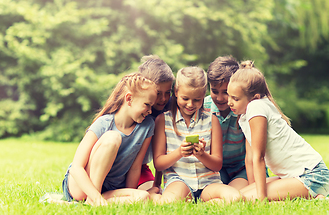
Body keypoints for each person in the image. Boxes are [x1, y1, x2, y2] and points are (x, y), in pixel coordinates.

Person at [227, 60, 329, 202]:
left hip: (312, 176)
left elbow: (259, 157)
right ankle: (315, 198)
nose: (229, 102)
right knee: (236, 196)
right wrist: (254, 191)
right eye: (229, 96)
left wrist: (260, 199)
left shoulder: (256, 107)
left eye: (235, 98)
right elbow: (250, 159)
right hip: (294, 176)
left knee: (237, 200)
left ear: (255, 97)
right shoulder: (245, 116)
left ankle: (317, 197)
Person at [61, 73, 158, 206]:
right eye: (147, 104)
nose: (150, 111)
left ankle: (95, 202)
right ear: (129, 98)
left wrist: (130, 192)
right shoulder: (104, 123)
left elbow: (135, 168)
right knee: (113, 138)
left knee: (143, 197)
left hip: (111, 189)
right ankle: (94, 199)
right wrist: (95, 195)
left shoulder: (147, 126)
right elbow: (76, 168)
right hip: (82, 186)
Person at [152, 66, 242, 204]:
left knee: (235, 197)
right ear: (176, 92)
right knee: (168, 202)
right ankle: (192, 200)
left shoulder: (212, 120)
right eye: (185, 98)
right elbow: (158, 164)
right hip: (179, 180)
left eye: (197, 100)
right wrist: (179, 152)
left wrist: (201, 155)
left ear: (203, 95)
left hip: (208, 182)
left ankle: (205, 202)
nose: (190, 104)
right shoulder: (163, 121)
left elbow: (217, 165)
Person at [204, 56, 249, 190]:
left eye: (225, 92)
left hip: (243, 168)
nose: (219, 98)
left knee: (236, 193)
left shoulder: (245, 109)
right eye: (214, 91)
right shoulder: (202, 108)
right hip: (215, 170)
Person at [137, 55, 175, 193]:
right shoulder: (138, 111)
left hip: (141, 168)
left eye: (168, 92)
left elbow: (162, 151)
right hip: (122, 166)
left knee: (154, 193)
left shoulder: (169, 108)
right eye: (158, 93)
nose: (163, 99)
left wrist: (157, 184)